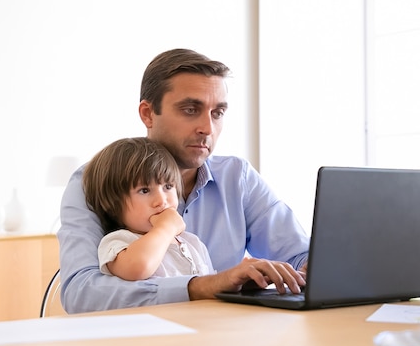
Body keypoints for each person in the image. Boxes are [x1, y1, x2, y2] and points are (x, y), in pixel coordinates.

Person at [57, 48, 309, 313]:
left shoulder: (238, 177)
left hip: (222, 339)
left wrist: (312, 270)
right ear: (147, 113)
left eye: (218, 113)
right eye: (190, 110)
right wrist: (202, 287)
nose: (207, 129)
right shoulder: (94, 180)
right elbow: (80, 294)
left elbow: (299, 255)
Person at [83, 137, 215, 280]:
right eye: (144, 191)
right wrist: (166, 228)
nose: (161, 201)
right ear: (113, 204)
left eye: (168, 187)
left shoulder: (193, 243)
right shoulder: (118, 243)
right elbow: (138, 267)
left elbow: (209, 286)